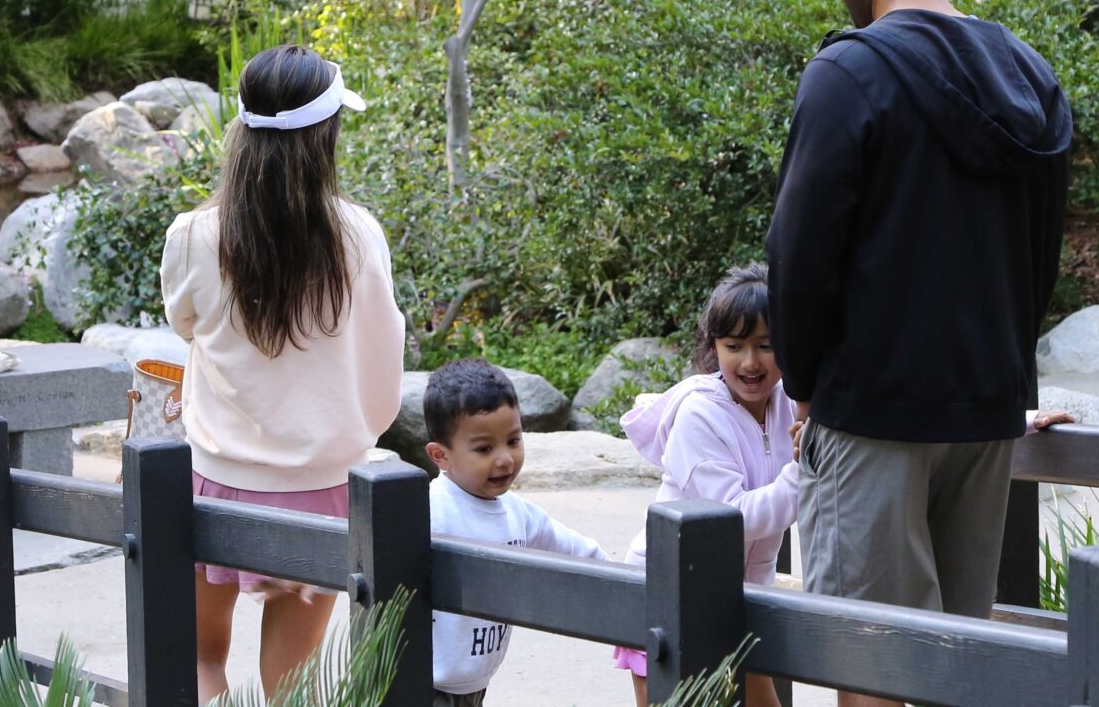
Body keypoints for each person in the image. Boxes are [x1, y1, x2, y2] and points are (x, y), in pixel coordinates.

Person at [766, 0, 1073, 707]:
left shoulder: (848, 73)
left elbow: (800, 253)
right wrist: (1006, 373)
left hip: (872, 413)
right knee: (955, 663)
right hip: (983, 415)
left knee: (867, 661)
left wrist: (804, 383)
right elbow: (1039, 256)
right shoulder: (1028, 75)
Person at [160, 44, 405, 704]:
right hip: (324, 485)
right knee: (293, 687)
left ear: (240, 129)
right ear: (327, 135)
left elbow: (186, 325)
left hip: (216, 479)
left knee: (199, 657)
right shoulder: (360, 235)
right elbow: (383, 366)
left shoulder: (194, 233)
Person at [612, 265, 797, 707]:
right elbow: (734, 517)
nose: (750, 362)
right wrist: (805, 475)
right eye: (734, 346)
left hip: (743, 599)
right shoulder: (698, 416)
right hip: (669, 595)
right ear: (713, 347)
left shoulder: (787, 401)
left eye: (766, 346)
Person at [425, 359, 604, 707]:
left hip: (474, 677)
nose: (505, 459)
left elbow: (575, 550)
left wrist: (629, 586)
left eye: (513, 440)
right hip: (426, 680)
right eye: (484, 449)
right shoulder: (432, 510)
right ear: (440, 455)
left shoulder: (516, 512)